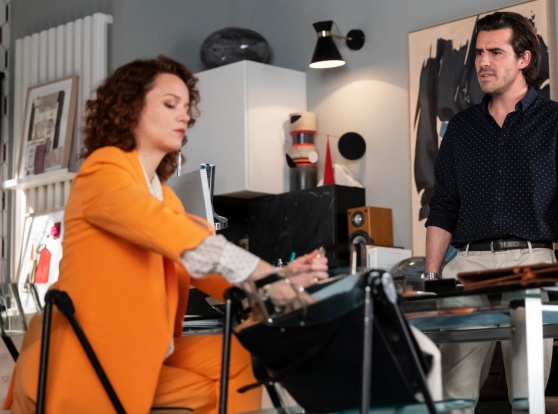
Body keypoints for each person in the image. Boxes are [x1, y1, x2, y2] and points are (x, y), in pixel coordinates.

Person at [4, 55, 328, 414]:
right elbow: (165, 230)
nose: (184, 117)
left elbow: (204, 264)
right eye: (170, 104)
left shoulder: (165, 198)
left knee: (240, 357)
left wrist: (283, 277)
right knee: (206, 391)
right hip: (85, 359)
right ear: (130, 109)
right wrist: (260, 274)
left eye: (187, 108)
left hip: (142, 350)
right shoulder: (103, 171)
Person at [423, 11, 558, 410]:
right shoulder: (461, 128)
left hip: (532, 262)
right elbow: (444, 205)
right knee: (451, 399)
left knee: (527, 398)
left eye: (495, 52)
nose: (483, 62)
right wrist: (432, 277)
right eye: (479, 53)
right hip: (466, 266)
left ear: (523, 58)